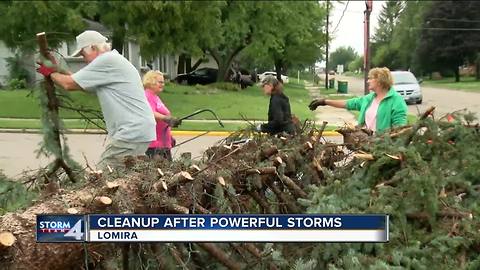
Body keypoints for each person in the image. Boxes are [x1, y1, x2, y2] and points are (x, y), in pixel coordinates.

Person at [36, 30, 156, 169]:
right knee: (125, 177)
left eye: (83, 54)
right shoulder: (113, 61)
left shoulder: (106, 60)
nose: (83, 59)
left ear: (93, 47)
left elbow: (68, 84)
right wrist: (57, 69)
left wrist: (50, 73)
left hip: (131, 132)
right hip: (138, 130)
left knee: (103, 175)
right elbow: (82, 84)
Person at [308, 67, 407, 133]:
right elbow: (348, 103)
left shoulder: (396, 101)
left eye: (370, 78)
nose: (367, 81)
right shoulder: (369, 99)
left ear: (380, 81)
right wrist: (325, 102)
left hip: (382, 148)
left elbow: (400, 129)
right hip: (366, 144)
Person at [142, 70, 181, 161]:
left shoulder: (155, 97)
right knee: (160, 172)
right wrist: (166, 118)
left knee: (168, 172)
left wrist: (169, 137)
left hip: (163, 143)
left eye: (163, 82)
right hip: (154, 145)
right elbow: (149, 113)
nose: (162, 84)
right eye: (160, 82)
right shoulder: (147, 95)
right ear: (151, 81)